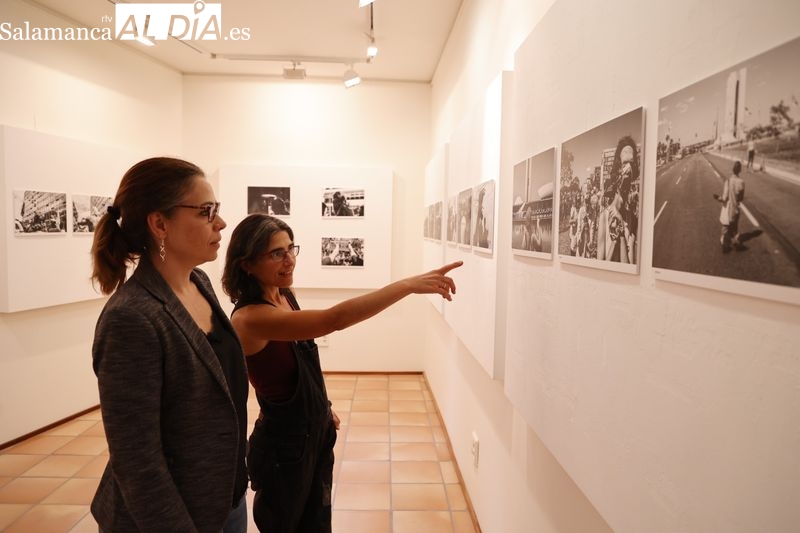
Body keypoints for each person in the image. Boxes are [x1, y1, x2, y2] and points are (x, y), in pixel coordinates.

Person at [221, 214, 463, 533]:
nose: (290, 259)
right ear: (246, 264)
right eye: (276, 253)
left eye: (291, 248)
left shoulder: (282, 296)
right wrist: (407, 285)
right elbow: (333, 319)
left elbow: (296, 368)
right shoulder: (250, 318)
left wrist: (322, 406)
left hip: (312, 434)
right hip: (285, 446)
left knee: (316, 522)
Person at [90, 157, 249, 533]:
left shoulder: (199, 282)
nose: (221, 223)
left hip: (225, 498)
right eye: (206, 211)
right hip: (173, 514)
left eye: (218, 210)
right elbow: (136, 459)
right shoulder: (131, 317)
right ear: (160, 223)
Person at [714, 160, 745, 252]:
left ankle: (725, 244)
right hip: (736, 209)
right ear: (740, 170)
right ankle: (736, 241)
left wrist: (717, 198)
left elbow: (724, 198)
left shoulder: (728, 181)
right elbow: (741, 198)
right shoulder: (741, 182)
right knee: (734, 227)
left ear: (732, 170)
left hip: (728, 210)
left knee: (725, 228)